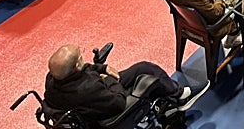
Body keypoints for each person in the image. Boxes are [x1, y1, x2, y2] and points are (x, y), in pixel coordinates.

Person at [43, 43, 205, 123]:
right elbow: (118, 102)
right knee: (148, 73)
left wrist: (102, 68)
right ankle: (179, 96)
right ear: (76, 66)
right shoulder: (89, 88)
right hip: (107, 106)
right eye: (80, 57)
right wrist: (109, 80)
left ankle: (170, 94)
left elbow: (84, 71)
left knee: (142, 68)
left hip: (89, 103)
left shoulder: (53, 79)